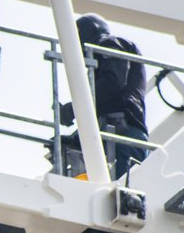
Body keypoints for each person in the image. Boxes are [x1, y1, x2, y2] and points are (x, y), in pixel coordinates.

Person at [59, 14, 148, 179]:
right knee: (116, 195)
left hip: (123, 133)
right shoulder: (100, 60)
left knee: (124, 194)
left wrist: (72, 109)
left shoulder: (110, 44)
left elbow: (112, 83)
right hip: (113, 133)